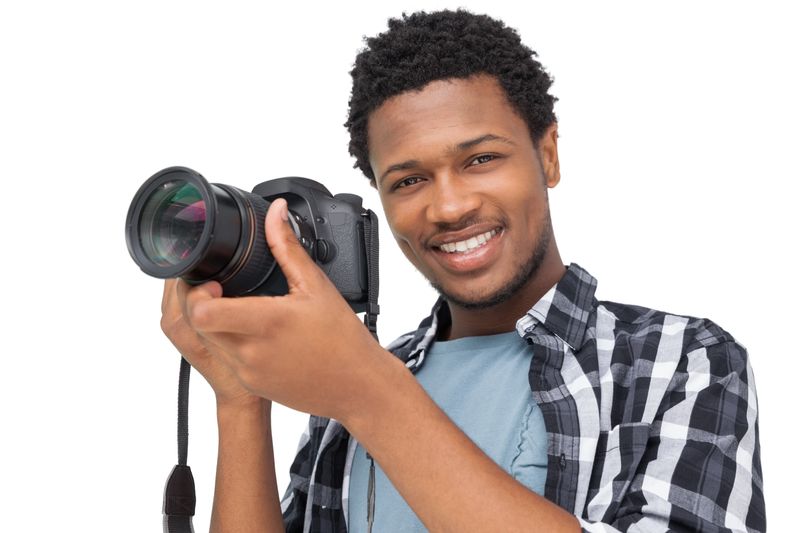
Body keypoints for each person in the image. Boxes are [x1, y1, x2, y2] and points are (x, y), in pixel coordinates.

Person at [160, 9, 765, 532]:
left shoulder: (682, 360)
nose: (449, 207)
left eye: (480, 159)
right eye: (410, 180)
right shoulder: (342, 395)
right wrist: (240, 400)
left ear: (547, 155)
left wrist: (368, 391)